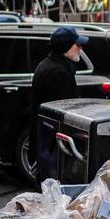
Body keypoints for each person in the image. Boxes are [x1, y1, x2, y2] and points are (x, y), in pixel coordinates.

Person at [30, 26, 86, 180]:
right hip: (55, 148)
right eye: (77, 45)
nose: (80, 49)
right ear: (66, 47)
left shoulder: (52, 66)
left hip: (50, 146)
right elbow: (64, 114)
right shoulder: (57, 73)